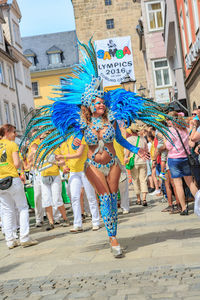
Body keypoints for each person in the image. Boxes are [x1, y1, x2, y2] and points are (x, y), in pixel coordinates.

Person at [20, 39, 176, 258]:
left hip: (112, 163)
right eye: (96, 101)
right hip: (92, 165)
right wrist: (75, 143)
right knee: (104, 197)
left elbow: (120, 140)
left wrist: (135, 147)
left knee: (113, 198)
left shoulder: (111, 121)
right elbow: (75, 141)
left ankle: (113, 232)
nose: (100, 103)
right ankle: (112, 237)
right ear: (88, 104)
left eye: (102, 101)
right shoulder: (82, 125)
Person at [0, 124, 38, 249]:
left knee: (6, 211)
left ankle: (10, 240)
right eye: (13, 132)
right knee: (22, 207)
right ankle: (24, 237)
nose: (15, 134)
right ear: (7, 132)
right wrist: (20, 162)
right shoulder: (12, 144)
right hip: (12, 179)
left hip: (0, 182)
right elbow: (16, 164)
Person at [57, 135, 100, 232]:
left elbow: (79, 154)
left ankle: (96, 221)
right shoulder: (66, 140)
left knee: (90, 196)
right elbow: (67, 159)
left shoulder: (81, 137)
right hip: (73, 172)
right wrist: (58, 163)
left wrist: (62, 157)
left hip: (85, 169)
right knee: (75, 198)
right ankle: (77, 224)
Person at [165, 111, 198, 215]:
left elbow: (168, 147)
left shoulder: (170, 131)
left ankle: (184, 208)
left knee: (178, 184)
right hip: (185, 158)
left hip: (174, 159)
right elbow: (191, 143)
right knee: (190, 183)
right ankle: (199, 203)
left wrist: (165, 140)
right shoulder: (185, 129)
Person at [124, 123, 149, 206]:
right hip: (143, 161)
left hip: (134, 162)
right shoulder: (143, 139)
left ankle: (138, 199)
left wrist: (126, 157)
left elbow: (127, 150)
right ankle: (144, 198)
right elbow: (146, 149)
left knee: (135, 180)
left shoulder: (129, 139)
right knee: (143, 180)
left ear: (131, 131)